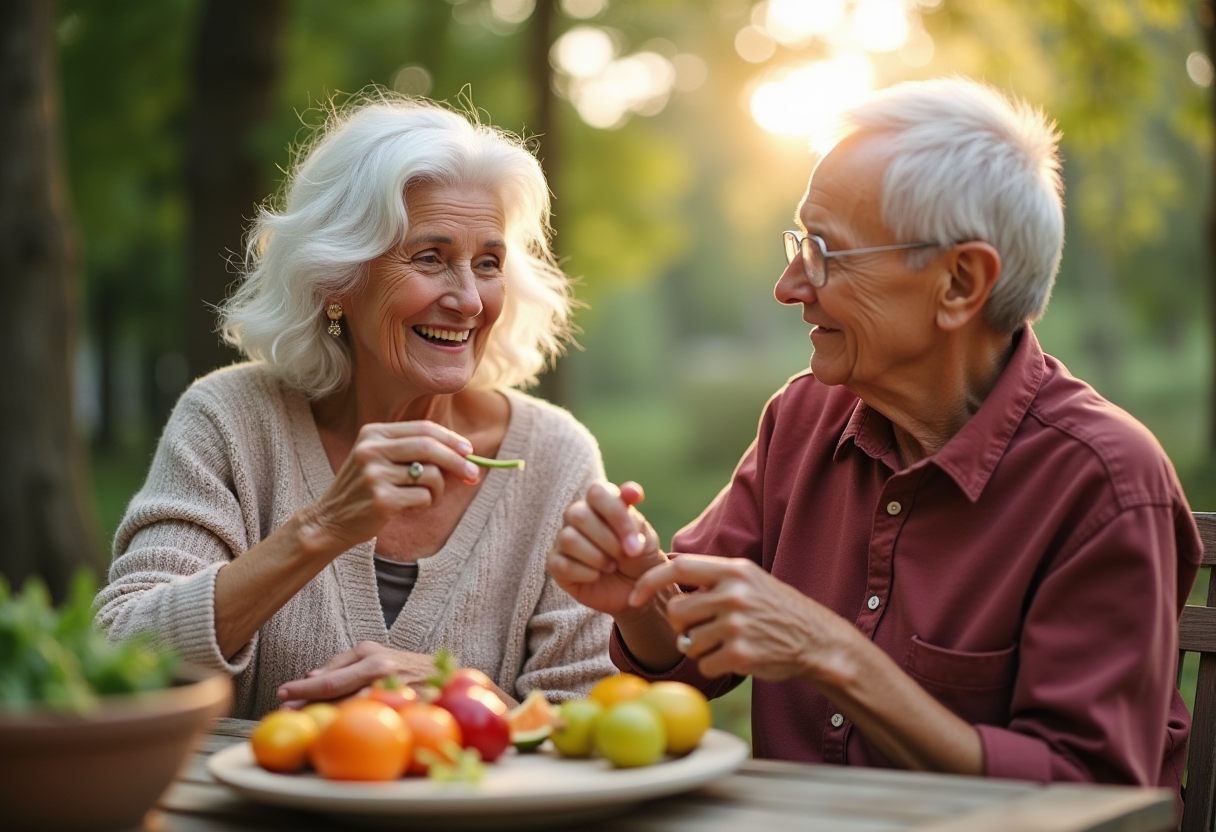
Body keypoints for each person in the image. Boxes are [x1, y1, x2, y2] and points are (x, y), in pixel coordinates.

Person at [549, 77, 1201, 809]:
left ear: (959, 282)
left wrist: (832, 653)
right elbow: (689, 656)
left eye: (826, 251)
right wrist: (639, 590)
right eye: (799, 242)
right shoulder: (802, 418)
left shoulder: (1106, 483)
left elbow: (1094, 798)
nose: (789, 284)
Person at [96, 94, 615, 719]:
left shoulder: (555, 458)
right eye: (430, 258)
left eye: (488, 264)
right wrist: (323, 528)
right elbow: (120, 658)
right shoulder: (230, 419)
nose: (471, 300)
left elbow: (592, 718)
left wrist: (463, 695)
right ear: (336, 276)